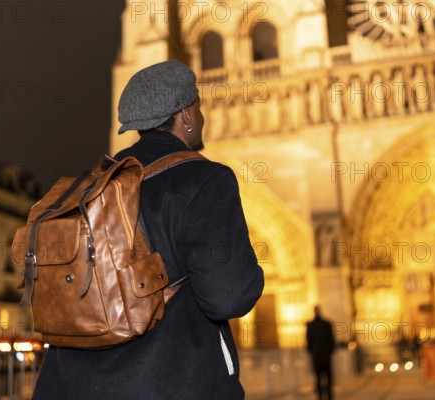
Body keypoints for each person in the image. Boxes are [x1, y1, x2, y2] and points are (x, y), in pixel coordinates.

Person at [31, 60, 265, 400]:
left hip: (70, 385)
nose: (201, 117)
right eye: (198, 107)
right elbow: (228, 297)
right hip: (168, 383)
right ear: (185, 115)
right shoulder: (204, 180)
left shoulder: (86, 188)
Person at [306, 306, 336, 400]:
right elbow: (331, 340)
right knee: (328, 377)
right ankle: (330, 396)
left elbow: (308, 340)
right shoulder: (327, 324)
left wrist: (312, 352)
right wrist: (330, 351)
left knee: (318, 378)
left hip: (316, 356)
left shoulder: (310, 325)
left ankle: (320, 397)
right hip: (326, 355)